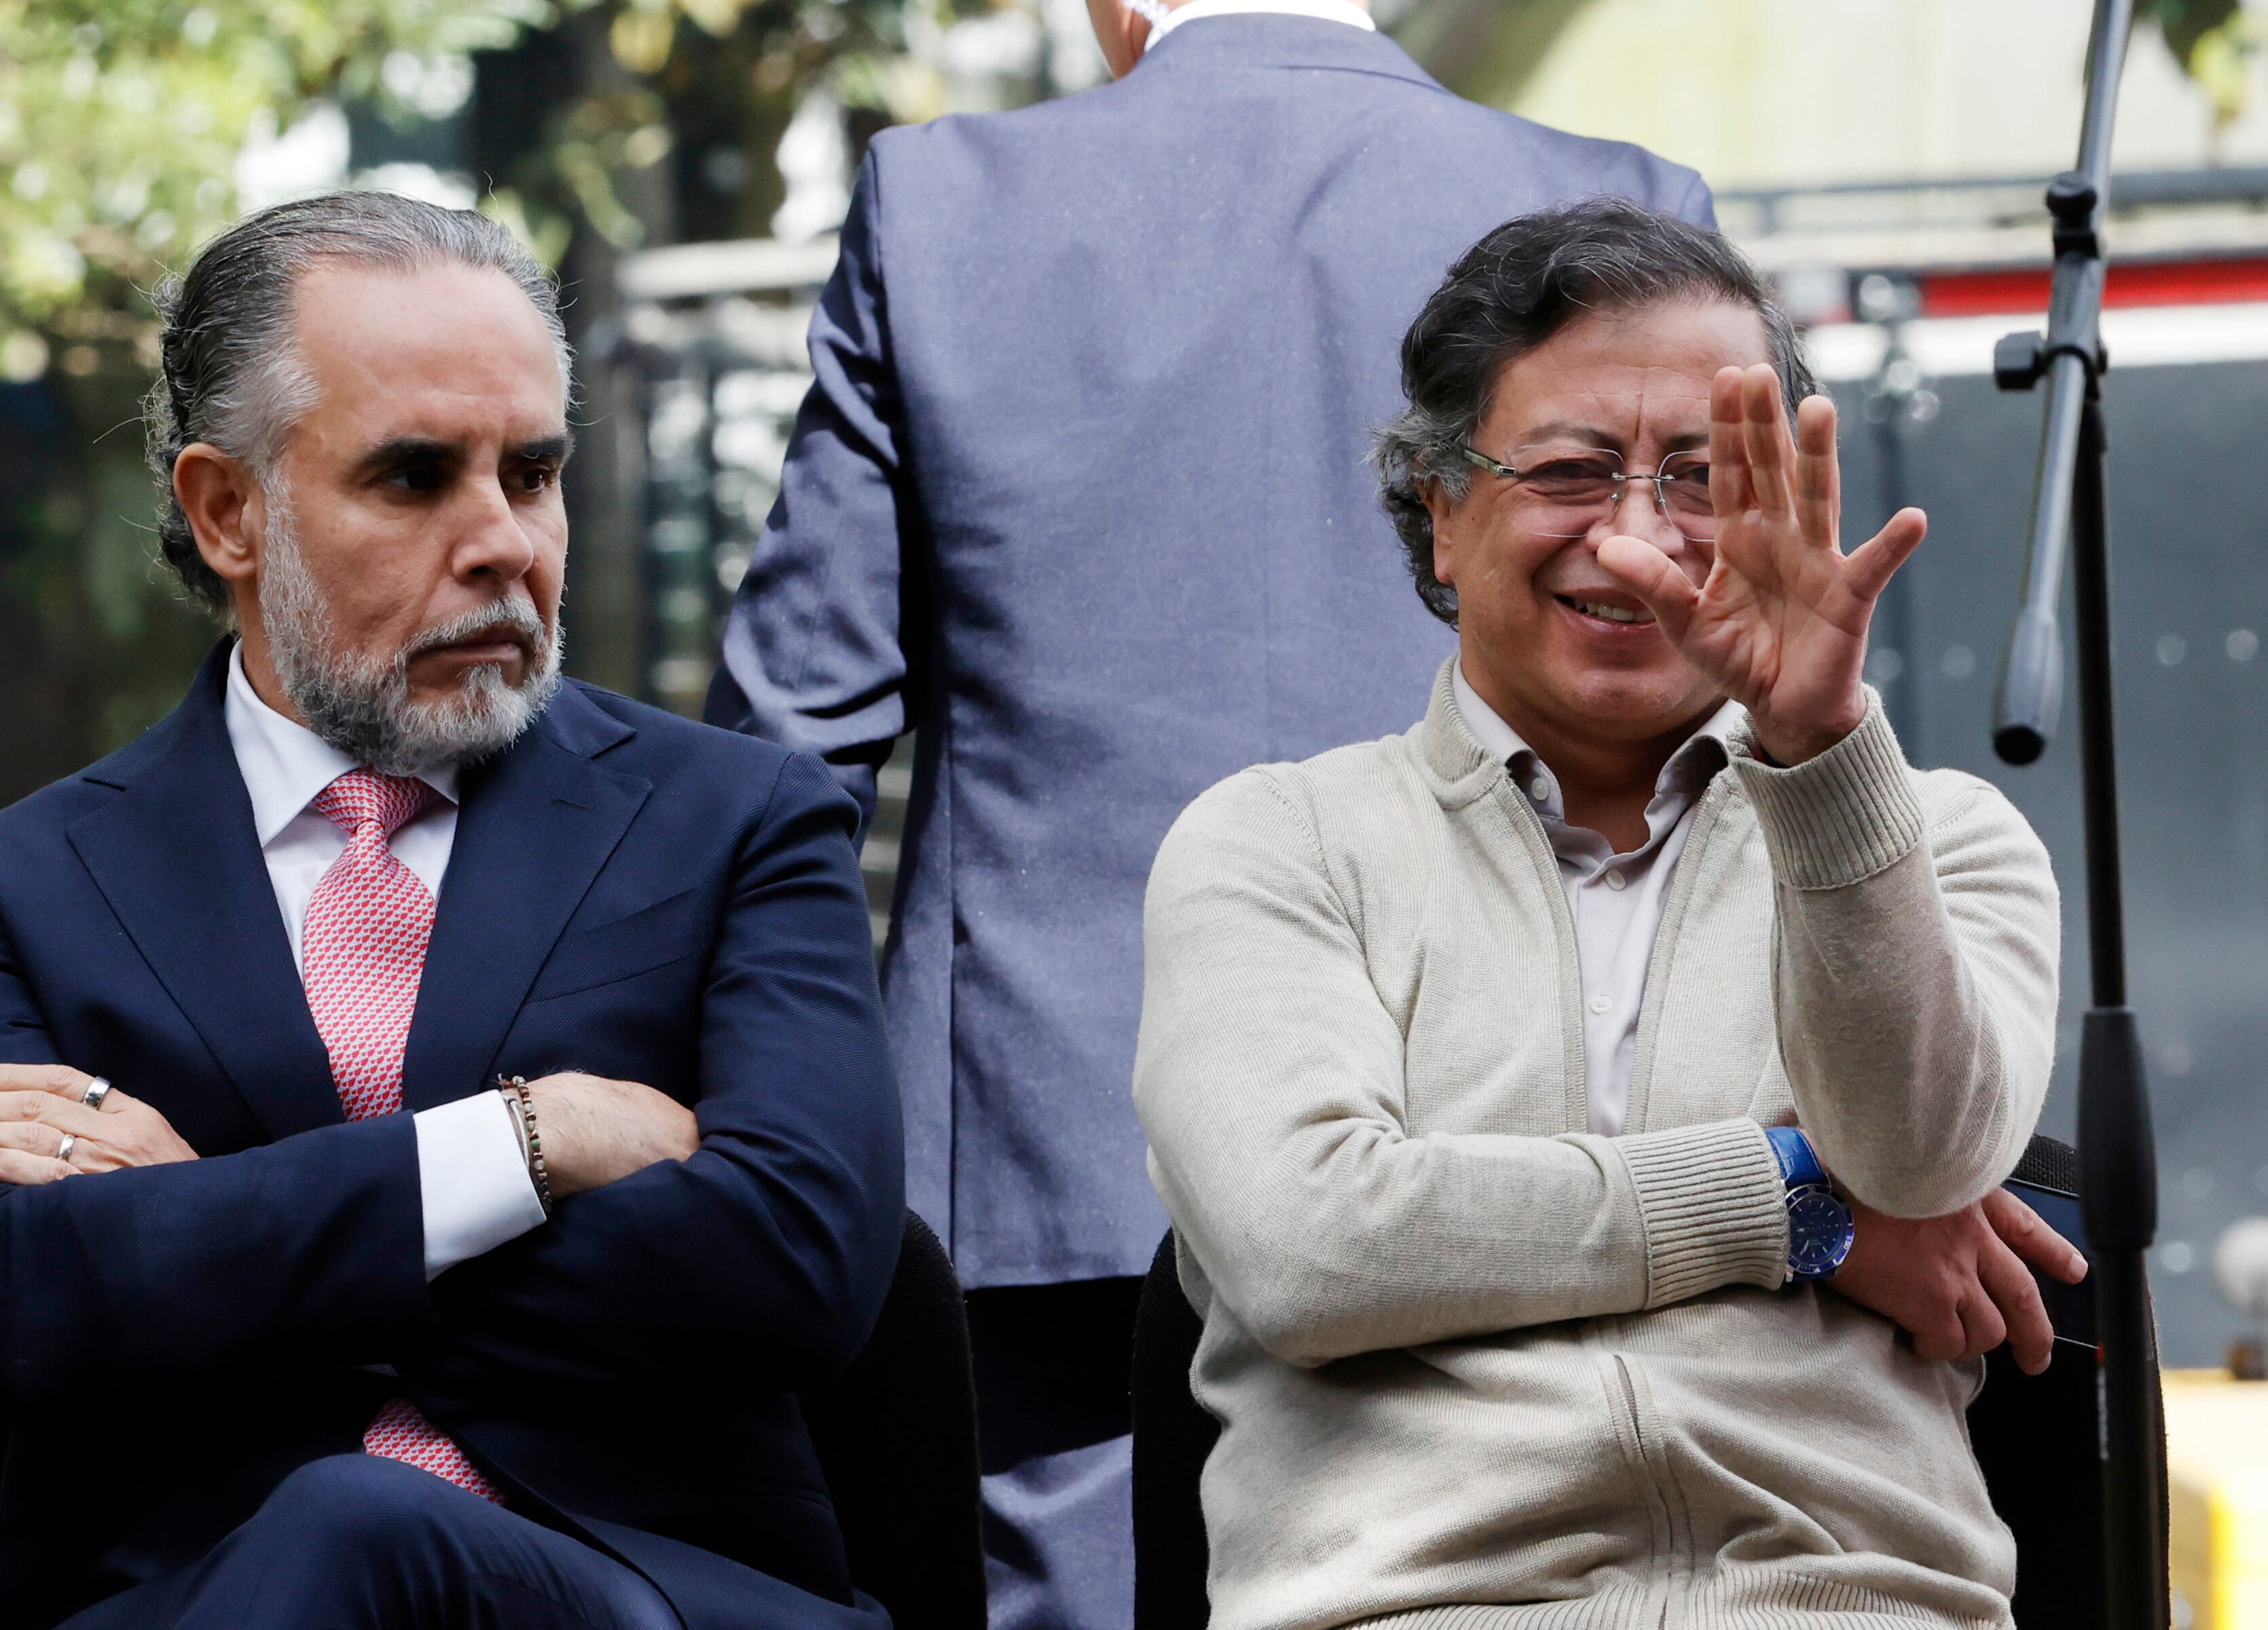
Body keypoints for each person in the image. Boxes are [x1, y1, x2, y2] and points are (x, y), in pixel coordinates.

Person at [706, 1, 1715, 1616]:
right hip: (1520, 1149)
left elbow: (791, 746)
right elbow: (1719, 697)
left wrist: (737, 1138)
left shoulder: (944, 204)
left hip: (1057, 1164)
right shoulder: (1622, 211)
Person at [0, 192, 904, 1630]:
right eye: (415, 477)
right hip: (192, 1598)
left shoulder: (739, 823)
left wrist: (220, 1218)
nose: (502, 541)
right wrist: (531, 1142)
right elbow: (31, 1314)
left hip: (649, 1594)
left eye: (533, 473)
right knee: (343, 1528)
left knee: (364, 1523)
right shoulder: (8, 892)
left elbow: (800, 1269)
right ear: (229, 512)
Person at [1133, 199, 2089, 1629]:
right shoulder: (1281, 844)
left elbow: (1921, 1157)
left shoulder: (1939, 837)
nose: (1637, 538)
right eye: (1572, 471)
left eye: (1702, 478)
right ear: (1442, 513)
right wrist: (1796, 1205)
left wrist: (1819, 751)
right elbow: (1312, 1249)